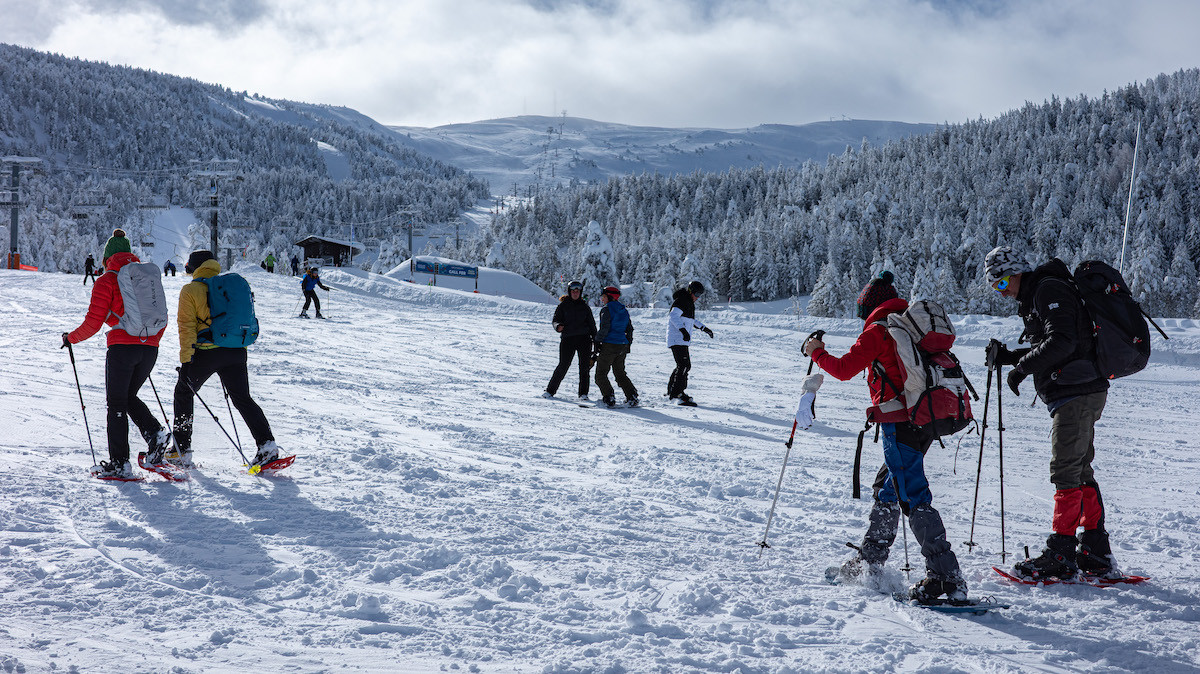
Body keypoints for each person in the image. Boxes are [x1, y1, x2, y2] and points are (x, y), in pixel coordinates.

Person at [803, 271, 968, 602]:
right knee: (888, 489)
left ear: (868, 308)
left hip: (900, 422)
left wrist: (816, 352)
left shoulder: (879, 331)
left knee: (913, 495)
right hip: (924, 418)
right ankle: (870, 562)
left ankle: (946, 577)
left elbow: (843, 369)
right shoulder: (908, 327)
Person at [984, 246, 1119, 580]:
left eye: (1003, 283)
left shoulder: (1047, 289)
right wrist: (1012, 357)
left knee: (1065, 471)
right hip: (1080, 388)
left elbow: (1062, 341)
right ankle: (1095, 550)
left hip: (1075, 391)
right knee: (1080, 470)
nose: (1003, 292)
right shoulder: (1042, 292)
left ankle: (1061, 553)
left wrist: (1022, 368)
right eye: (996, 288)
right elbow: (1057, 342)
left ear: (1016, 272)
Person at [63, 229, 171, 479]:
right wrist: (149, 341)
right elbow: (161, 316)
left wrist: (71, 338)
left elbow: (93, 323)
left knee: (117, 404)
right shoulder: (145, 279)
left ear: (106, 258)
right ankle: (155, 433)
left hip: (122, 349)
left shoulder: (107, 281)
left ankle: (120, 463)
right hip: (150, 349)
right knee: (128, 397)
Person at [172, 250, 281, 469]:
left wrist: (186, 362)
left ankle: (180, 450)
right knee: (243, 399)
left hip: (207, 352)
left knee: (184, 391)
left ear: (194, 267)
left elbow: (187, 328)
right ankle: (266, 445)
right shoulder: (228, 286)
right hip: (236, 351)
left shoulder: (191, 290)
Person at [542, 280, 597, 400]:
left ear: (580, 292)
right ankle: (550, 391)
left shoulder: (585, 307)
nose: (575, 293)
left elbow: (592, 325)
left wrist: (596, 341)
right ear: (569, 292)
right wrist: (558, 326)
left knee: (584, 368)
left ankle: (583, 394)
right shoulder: (563, 306)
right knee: (563, 365)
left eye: (577, 291)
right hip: (568, 339)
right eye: (573, 291)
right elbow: (555, 320)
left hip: (584, 340)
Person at [666, 280, 713, 405]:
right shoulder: (681, 300)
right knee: (684, 365)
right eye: (696, 294)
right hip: (677, 339)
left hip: (681, 340)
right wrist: (683, 331)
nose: (697, 297)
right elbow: (673, 316)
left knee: (682, 365)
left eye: (700, 295)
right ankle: (677, 394)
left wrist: (704, 328)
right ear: (690, 291)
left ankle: (673, 391)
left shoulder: (688, 302)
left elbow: (691, 321)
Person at [593, 286, 638, 408]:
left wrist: (597, 341)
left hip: (609, 345)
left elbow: (605, 328)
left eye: (603, 297)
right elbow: (629, 329)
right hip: (622, 345)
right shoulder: (623, 309)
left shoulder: (606, 309)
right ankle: (632, 396)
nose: (602, 299)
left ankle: (609, 397)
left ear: (610, 297)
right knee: (620, 373)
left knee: (600, 374)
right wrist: (627, 344)